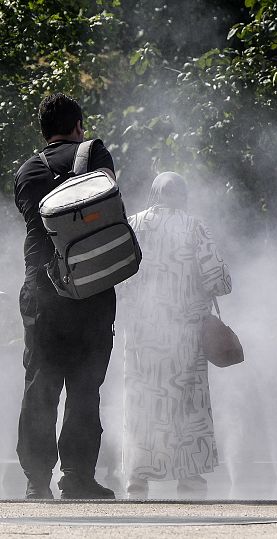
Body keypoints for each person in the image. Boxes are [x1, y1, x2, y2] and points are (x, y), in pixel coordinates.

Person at [13, 93, 117, 499]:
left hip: (41, 289)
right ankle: (77, 477)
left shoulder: (26, 171)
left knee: (41, 383)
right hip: (91, 288)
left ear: (44, 131)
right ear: (79, 126)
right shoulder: (94, 155)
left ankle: (36, 480)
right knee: (85, 384)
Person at [121, 171, 232, 499]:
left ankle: (138, 478)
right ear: (182, 196)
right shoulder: (194, 226)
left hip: (141, 333)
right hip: (185, 333)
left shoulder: (133, 224)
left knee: (142, 401)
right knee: (187, 403)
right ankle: (190, 477)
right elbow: (219, 282)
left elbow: (119, 279)